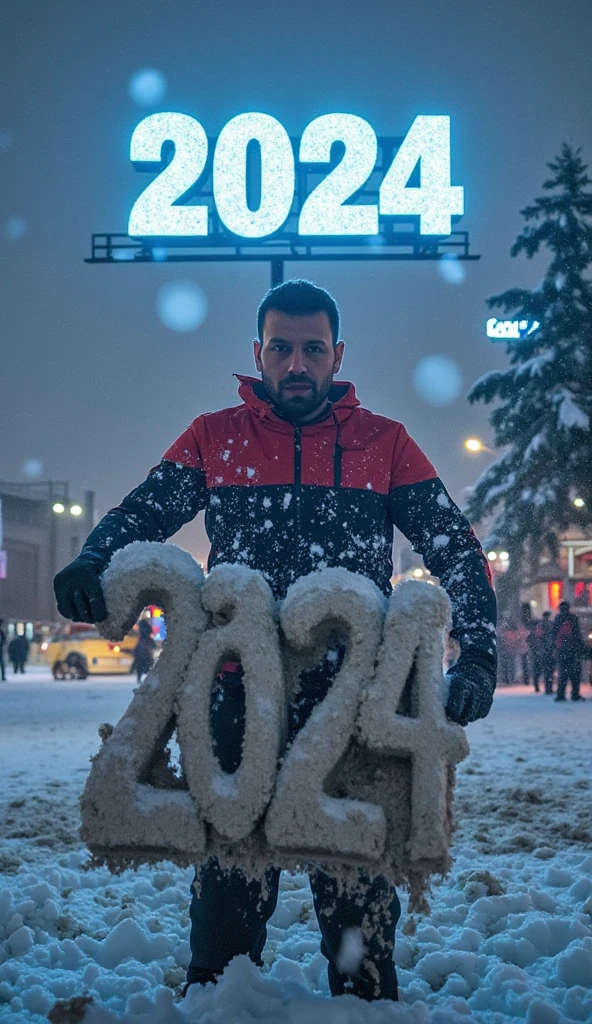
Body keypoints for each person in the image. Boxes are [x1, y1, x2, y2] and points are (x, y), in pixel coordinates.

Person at [54, 279, 497, 1003]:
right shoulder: (214, 437)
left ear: (337, 354)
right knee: (228, 901)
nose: (297, 363)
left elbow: (454, 546)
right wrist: (95, 556)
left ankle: (364, 1009)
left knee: (360, 911)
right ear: (257, 353)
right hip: (238, 698)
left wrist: (476, 652)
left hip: (355, 706)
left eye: (312, 349)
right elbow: (144, 512)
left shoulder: (384, 443)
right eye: (282, 348)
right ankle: (216, 1002)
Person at [553, 600, 584, 702]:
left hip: (562, 649)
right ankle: (575, 694)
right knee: (575, 673)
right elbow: (577, 634)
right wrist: (580, 647)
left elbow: (553, 635)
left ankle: (561, 694)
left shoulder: (558, 619)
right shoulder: (573, 618)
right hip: (572, 649)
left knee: (563, 673)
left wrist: (554, 648)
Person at [533, 610, 555, 694]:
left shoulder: (540, 625)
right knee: (548, 670)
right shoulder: (550, 624)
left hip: (542, 651)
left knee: (540, 670)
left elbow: (537, 637)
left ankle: (538, 686)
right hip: (547, 650)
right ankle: (548, 687)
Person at [131, 618, 156, 682]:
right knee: (147, 666)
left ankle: (139, 679)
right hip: (146, 652)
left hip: (142, 653)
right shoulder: (147, 629)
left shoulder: (142, 634)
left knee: (140, 666)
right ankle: (148, 679)